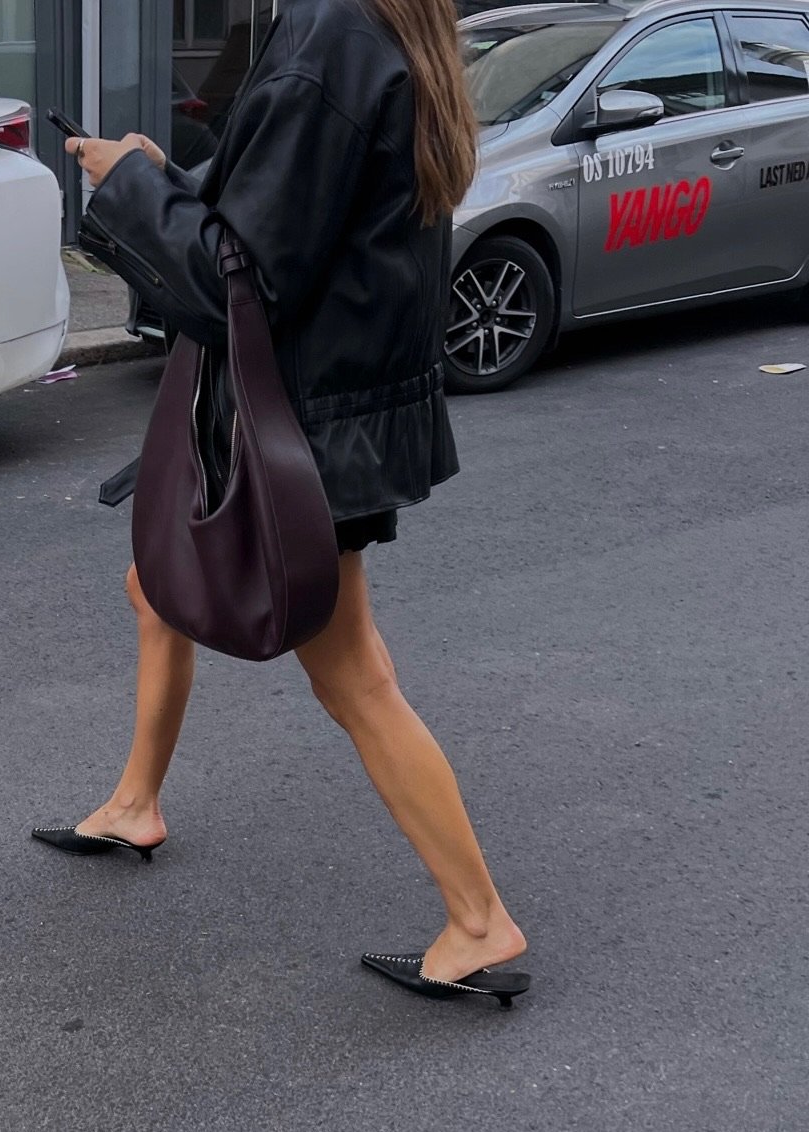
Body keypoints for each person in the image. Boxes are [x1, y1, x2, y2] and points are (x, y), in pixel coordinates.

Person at [36, 0, 530, 1007]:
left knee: (352, 676)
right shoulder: (387, 28)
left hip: (302, 423)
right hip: (336, 407)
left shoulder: (330, 38)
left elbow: (241, 274)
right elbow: (289, 217)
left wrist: (127, 186)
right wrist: (166, 176)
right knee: (156, 587)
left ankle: (479, 920)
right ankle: (135, 801)